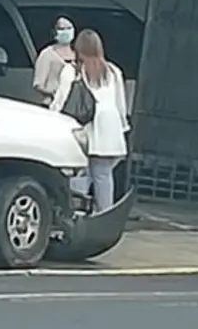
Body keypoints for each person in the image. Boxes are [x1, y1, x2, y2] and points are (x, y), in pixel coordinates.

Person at [58, 29, 129, 213]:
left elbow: (61, 100)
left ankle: (76, 213)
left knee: (82, 171)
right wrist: (122, 130)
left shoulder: (72, 70)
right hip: (111, 128)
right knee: (102, 174)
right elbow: (120, 105)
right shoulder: (114, 71)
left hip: (84, 129)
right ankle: (103, 214)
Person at [32, 17, 75, 107]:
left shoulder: (78, 54)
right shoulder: (47, 54)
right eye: (62, 29)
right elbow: (38, 84)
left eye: (69, 28)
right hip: (51, 104)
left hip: (73, 106)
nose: (66, 31)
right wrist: (55, 93)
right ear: (55, 31)